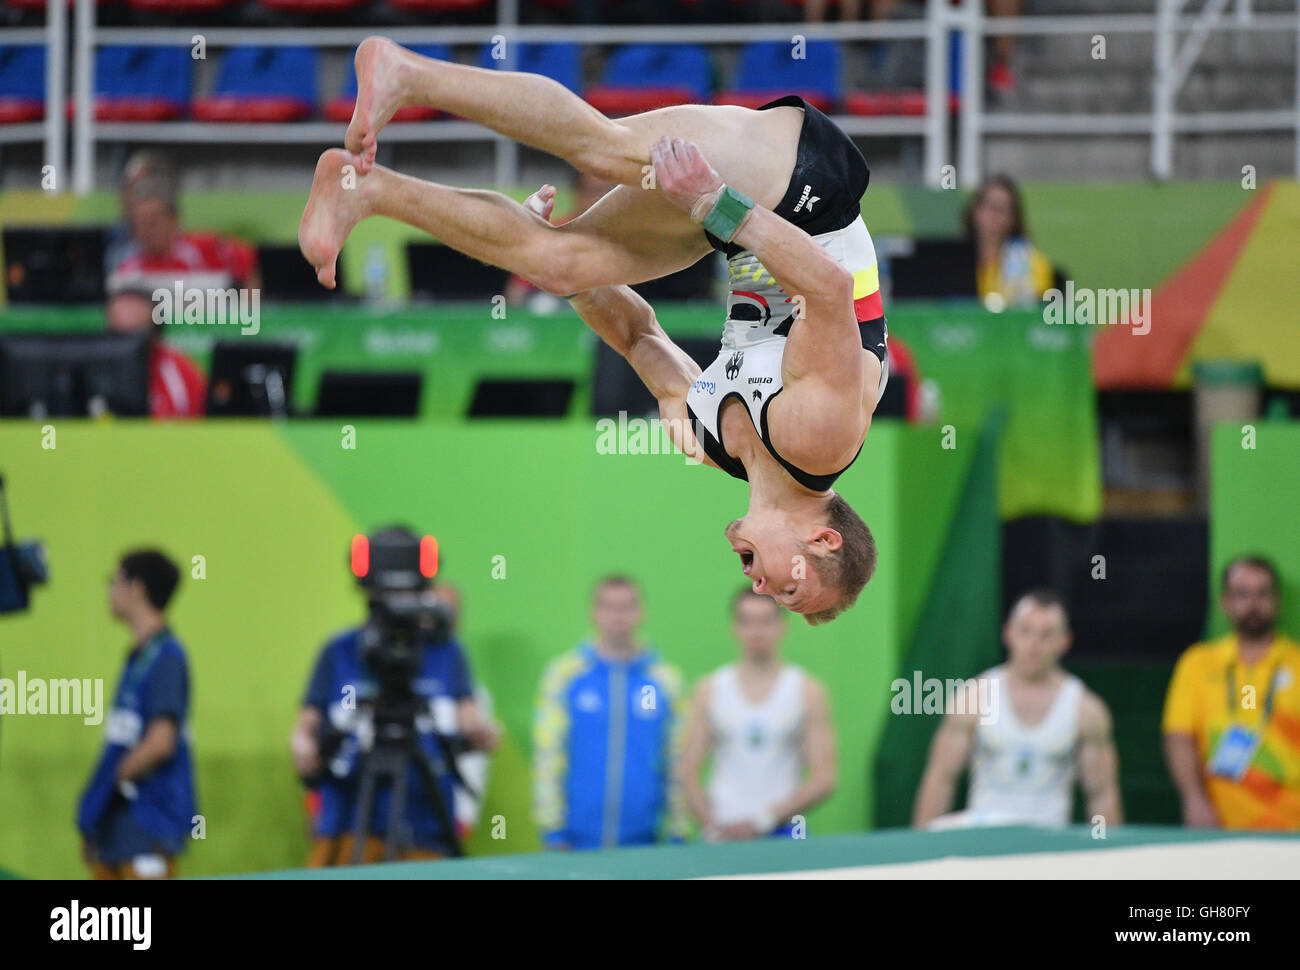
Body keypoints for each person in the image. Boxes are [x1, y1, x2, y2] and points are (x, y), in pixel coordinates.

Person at [300, 37, 887, 623]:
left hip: (741, 225)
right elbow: (828, 289)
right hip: (807, 187)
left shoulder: (707, 445)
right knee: (608, 152)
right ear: (823, 541)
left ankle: (367, 191)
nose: (761, 588)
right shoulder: (823, 439)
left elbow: (638, 335)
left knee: (559, 264)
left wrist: (573, 283)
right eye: (789, 590)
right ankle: (408, 75)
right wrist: (714, 204)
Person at [289, 529, 500, 865]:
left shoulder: (447, 652)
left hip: (425, 828)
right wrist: (304, 748)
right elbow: (306, 727)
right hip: (349, 823)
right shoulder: (339, 651)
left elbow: (471, 721)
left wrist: (482, 735)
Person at [912, 590, 1124, 829]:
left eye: (1046, 635)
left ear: (1065, 641)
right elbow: (942, 777)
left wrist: (1111, 855)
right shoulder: (973, 698)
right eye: (1025, 631)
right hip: (985, 834)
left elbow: (1101, 794)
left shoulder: (1086, 710)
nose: (1034, 645)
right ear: (1008, 634)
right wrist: (922, 845)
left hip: (1049, 839)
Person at [532, 576, 689, 850]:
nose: (618, 616)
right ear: (594, 612)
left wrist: (679, 827)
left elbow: (677, 758)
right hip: (575, 842)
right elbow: (548, 755)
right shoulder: (564, 675)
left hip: (646, 842)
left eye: (626, 607)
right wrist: (551, 827)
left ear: (641, 612)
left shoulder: (665, 681)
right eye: (609, 607)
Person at [678, 588, 836, 840]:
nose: (757, 632)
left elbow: (824, 778)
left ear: (782, 626)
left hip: (783, 831)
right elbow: (686, 772)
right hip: (723, 832)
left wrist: (764, 821)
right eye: (747, 622)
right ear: (734, 627)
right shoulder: (709, 690)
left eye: (765, 621)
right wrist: (711, 826)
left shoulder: (807, 692)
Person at [78, 550, 197, 879]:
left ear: (138, 589)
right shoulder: (138, 656)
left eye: (114, 581)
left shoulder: (168, 657)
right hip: (119, 828)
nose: (109, 591)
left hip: (147, 824)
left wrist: (109, 785)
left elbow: (161, 744)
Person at [1162, 556, 1300, 830]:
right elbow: (1179, 735)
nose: (1253, 604)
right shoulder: (1197, 663)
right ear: (1224, 602)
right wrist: (1194, 801)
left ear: (1277, 601)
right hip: (1218, 823)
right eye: (1242, 594)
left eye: (1262, 593)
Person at [964, 174, 1054, 311]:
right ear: (974, 210)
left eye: (1002, 210)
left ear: (1013, 219)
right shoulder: (951, 261)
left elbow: (1032, 316)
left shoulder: (1031, 262)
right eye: (989, 206)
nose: (994, 216)